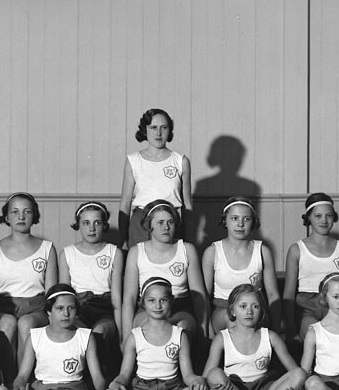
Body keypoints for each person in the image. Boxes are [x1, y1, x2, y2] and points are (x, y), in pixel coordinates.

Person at [107, 277, 213, 390]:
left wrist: (197, 380)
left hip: (171, 389)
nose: (157, 306)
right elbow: (124, 374)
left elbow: (188, 375)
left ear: (171, 301)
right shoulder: (135, 336)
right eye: (151, 300)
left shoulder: (180, 335)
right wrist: (115, 383)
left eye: (163, 300)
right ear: (143, 303)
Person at [7, 284, 114, 390]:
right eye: (60, 308)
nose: (66, 313)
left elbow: (97, 376)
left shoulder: (85, 336)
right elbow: (23, 375)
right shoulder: (36, 336)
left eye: (71, 308)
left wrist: (100, 389)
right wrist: (18, 385)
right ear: (49, 311)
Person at [204, 284, 305, 390]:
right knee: (214, 374)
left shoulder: (270, 336)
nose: (249, 311)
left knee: (300, 374)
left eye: (255, 306)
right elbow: (207, 378)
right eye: (243, 306)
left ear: (262, 311)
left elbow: (295, 373)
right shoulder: (222, 337)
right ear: (232, 310)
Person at [0, 192, 58, 384]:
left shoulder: (47, 248)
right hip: (5, 308)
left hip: (36, 309)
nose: (21, 216)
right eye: (15, 212)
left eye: (27, 212)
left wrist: (54, 324)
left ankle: (24, 383)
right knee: (6, 325)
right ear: (6, 217)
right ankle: (8, 382)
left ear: (34, 215)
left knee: (26, 324)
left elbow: (52, 294)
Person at [121, 199, 208, 342]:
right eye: (160, 222)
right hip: (147, 309)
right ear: (149, 225)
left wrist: (203, 331)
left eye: (170, 222)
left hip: (180, 308)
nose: (166, 227)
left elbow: (199, 297)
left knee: (180, 329)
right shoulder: (136, 252)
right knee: (152, 328)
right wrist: (125, 338)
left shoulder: (187, 250)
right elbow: (129, 298)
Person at [202, 197, 282, 335]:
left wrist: (276, 331)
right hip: (224, 311)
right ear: (225, 221)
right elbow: (204, 296)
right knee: (236, 322)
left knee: (249, 321)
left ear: (253, 222)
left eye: (246, 219)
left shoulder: (262, 251)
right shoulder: (213, 252)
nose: (240, 224)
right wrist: (207, 329)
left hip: (254, 312)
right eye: (234, 218)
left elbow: (272, 294)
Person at [282, 193, 339, 341]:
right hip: (306, 308)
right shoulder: (297, 249)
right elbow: (289, 293)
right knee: (316, 336)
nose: (324, 221)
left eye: (329, 216)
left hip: (336, 305)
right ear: (308, 217)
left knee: (337, 338)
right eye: (318, 216)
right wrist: (290, 328)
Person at [59, 201, 123, 366]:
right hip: (77, 309)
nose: (92, 228)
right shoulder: (67, 253)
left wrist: (121, 331)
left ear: (104, 225)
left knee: (99, 333)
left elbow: (116, 298)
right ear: (78, 225)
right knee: (81, 334)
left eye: (97, 223)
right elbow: (64, 295)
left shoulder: (114, 252)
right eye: (86, 223)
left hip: (104, 309)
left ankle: (102, 378)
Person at [119, 108, 192, 248]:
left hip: (170, 223)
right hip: (141, 225)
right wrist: (122, 240)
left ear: (170, 130)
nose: (158, 133)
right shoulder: (133, 160)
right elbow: (125, 204)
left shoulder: (180, 161)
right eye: (153, 127)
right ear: (145, 130)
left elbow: (187, 205)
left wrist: (188, 238)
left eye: (164, 128)